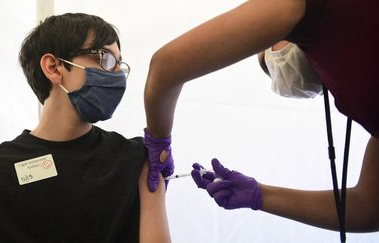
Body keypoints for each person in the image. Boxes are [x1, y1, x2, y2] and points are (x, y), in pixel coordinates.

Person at [143, 0, 379, 234]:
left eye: (266, 54)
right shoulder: (360, 97)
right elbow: (369, 208)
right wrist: (259, 195)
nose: (275, 68)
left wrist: (158, 143)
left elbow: (165, 66)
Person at [0, 13, 171, 243]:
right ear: (53, 67)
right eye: (105, 58)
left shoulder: (136, 160)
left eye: (119, 64)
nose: (117, 75)